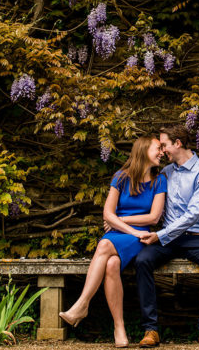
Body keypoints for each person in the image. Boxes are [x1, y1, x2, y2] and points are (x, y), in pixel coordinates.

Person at [59, 134, 167, 347]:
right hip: (121, 233)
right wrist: (123, 226)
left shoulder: (159, 180)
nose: (162, 153)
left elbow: (154, 217)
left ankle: (82, 304)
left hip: (140, 235)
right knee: (111, 263)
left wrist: (124, 223)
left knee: (104, 244)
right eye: (158, 148)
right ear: (144, 150)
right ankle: (119, 327)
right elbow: (107, 214)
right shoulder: (121, 177)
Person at [134, 124, 199, 348]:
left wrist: (160, 235)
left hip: (195, 236)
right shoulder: (165, 172)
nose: (162, 150)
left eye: (164, 145)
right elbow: (145, 201)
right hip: (168, 238)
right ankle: (150, 329)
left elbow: (193, 214)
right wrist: (117, 219)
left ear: (178, 143)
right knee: (142, 261)